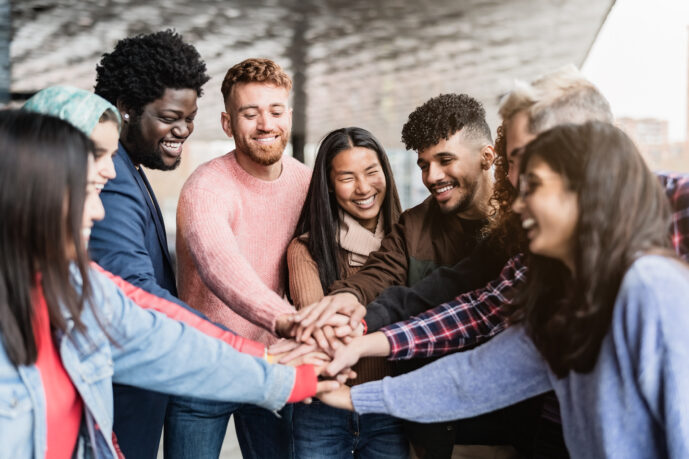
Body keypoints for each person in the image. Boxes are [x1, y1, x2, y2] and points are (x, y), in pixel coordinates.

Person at [319, 121, 689, 457]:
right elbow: (471, 378)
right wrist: (351, 396)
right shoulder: (563, 304)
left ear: (586, 191)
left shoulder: (650, 288)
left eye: (535, 187)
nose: (520, 202)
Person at [0, 109, 334, 458]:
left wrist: (283, 371)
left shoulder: (76, 287)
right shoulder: (205, 186)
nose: (98, 211)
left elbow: (165, 341)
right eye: (86, 190)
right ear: (29, 198)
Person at [174, 58, 313, 458]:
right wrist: (285, 319)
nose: (265, 124)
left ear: (288, 115)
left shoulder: (306, 182)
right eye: (249, 114)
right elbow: (220, 264)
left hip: (272, 363)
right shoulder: (206, 186)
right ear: (227, 123)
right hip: (203, 368)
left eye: (275, 111)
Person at [88, 30, 215, 458]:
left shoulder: (128, 165)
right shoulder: (113, 183)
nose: (183, 130)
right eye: (169, 117)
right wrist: (238, 347)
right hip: (118, 406)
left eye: (190, 116)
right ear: (126, 109)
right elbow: (138, 293)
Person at [286, 127, 406, 458]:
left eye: (371, 172)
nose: (364, 188)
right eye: (347, 177)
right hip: (322, 409)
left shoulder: (407, 240)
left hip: (389, 406)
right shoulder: (306, 248)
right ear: (328, 185)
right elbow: (320, 331)